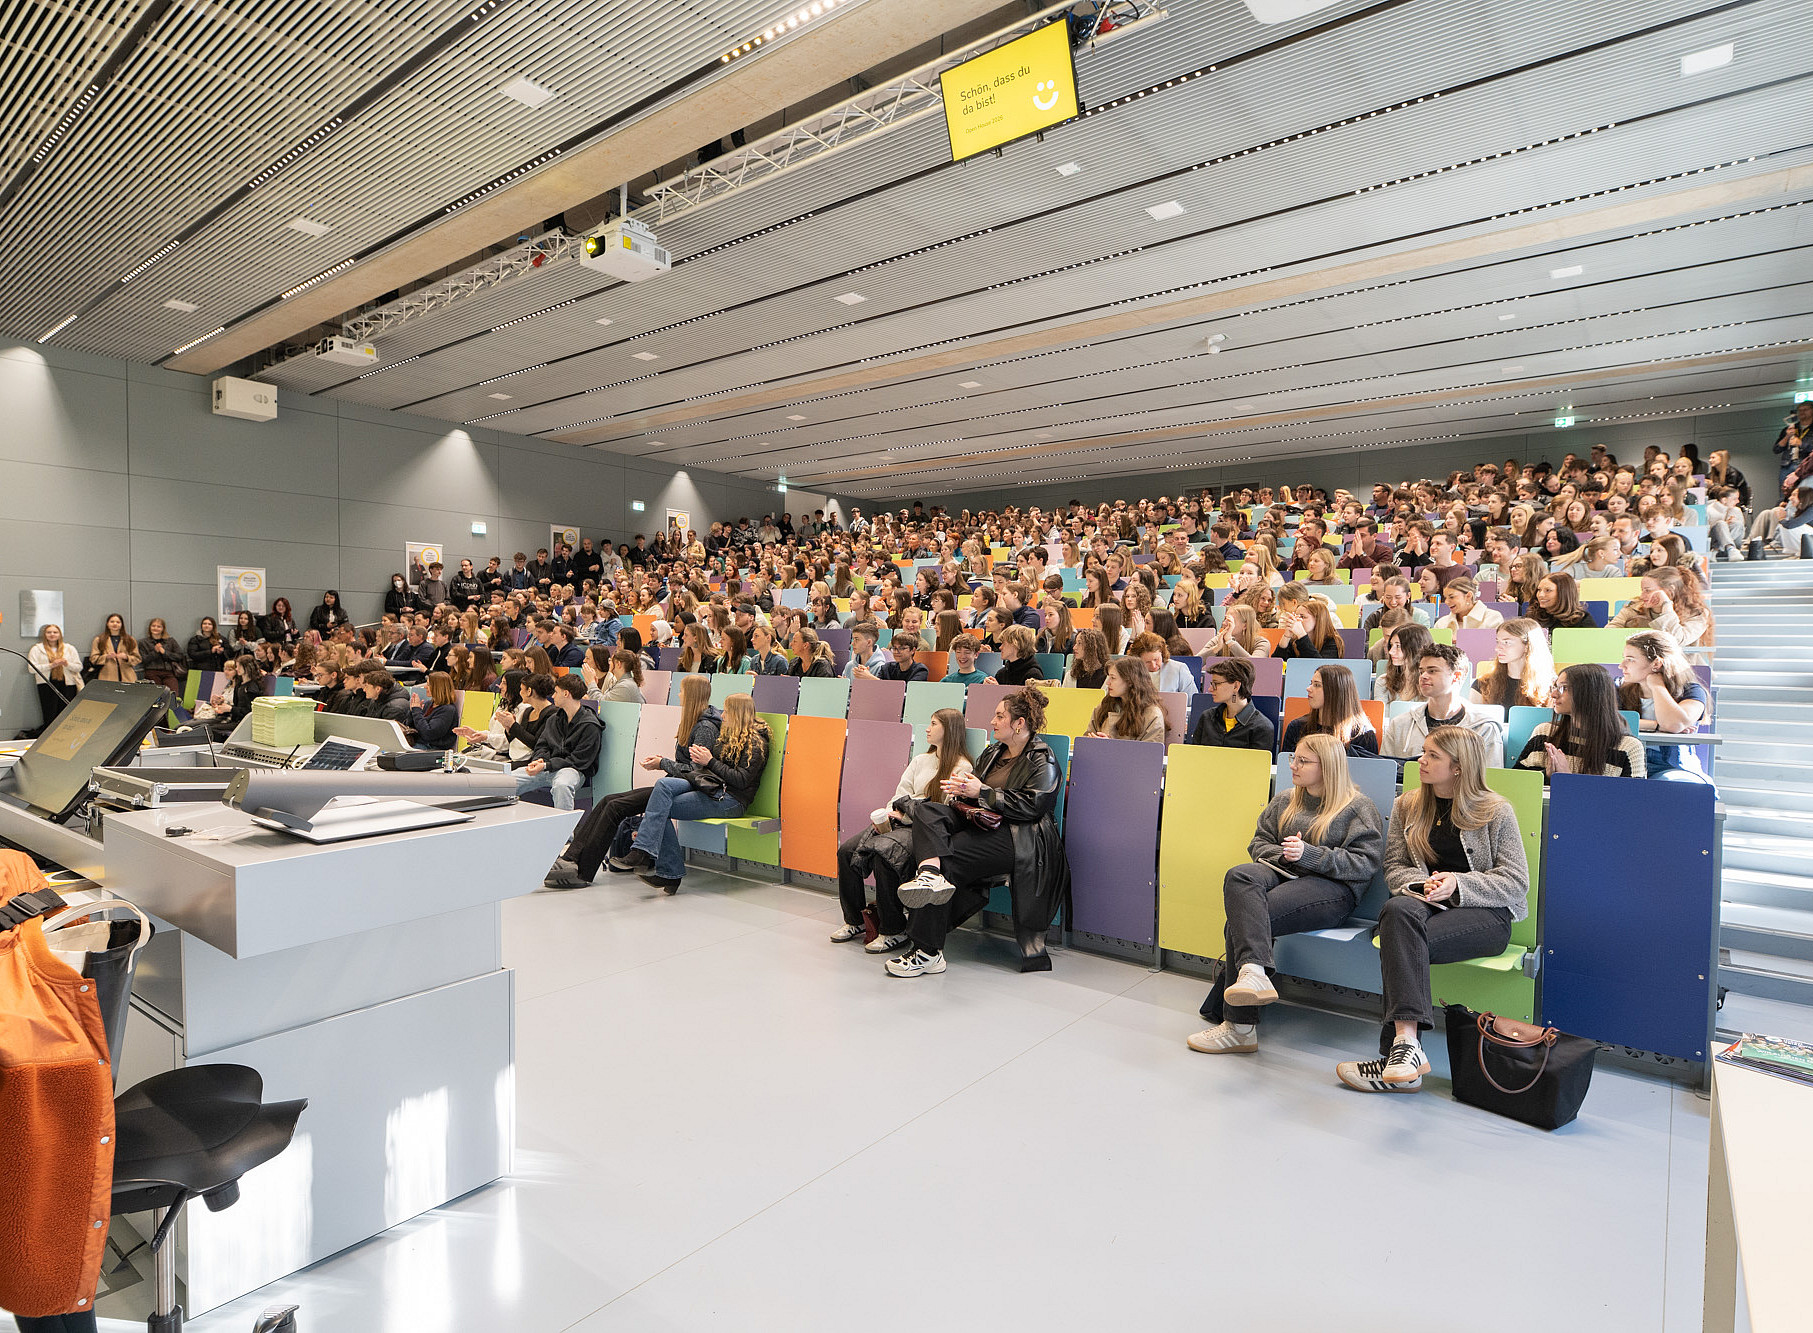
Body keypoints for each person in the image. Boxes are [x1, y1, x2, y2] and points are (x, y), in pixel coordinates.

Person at [1336, 726, 1529, 1093]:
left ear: (1458, 767)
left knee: (1401, 940)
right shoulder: (1408, 804)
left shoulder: (1495, 810)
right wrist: (1422, 886)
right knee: (1397, 912)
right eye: (1423, 752)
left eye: (1432, 756)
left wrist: (1459, 884)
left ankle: (1395, 1058)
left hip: (1486, 918)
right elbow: (1394, 867)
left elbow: (1516, 881)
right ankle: (1406, 1048)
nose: (1420, 761)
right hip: (1426, 907)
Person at [1188, 733, 1384, 1054]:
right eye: (1294, 758)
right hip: (1282, 875)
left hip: (1332, 889)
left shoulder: (1357, 808)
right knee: (1240, 874)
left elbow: (1365, 863)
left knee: (1243, 921)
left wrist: (1308, 855)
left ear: (1328, 767)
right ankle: (1253, 973)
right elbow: (1258, 843)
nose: (1293, 765)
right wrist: (1285, 855)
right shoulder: (1286, 800)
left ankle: (1239, 1027)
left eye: (1303, 761)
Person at [890, 686, 1069, 975]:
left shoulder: (1042, 758)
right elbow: (976, 792)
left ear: (1019, 723)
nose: (993, 722)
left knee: (946, 858)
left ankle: (926, 951)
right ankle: (929, 876)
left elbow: (1033, 806)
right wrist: (962, 791)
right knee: (926, 809)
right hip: (985, 824)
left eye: (1000, 716)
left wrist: (983, 792)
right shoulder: (994, 752)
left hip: (1019, 837)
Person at [544, 675, 710, 889]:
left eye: (682, 691)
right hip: (675, 785)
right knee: (607, 801)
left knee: (614, 806)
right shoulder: (694, 722)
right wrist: (663, 764)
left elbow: (698, 772)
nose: (678, 694)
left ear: (692, 695)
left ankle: (582, 871)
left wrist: (663, 764)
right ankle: (573, 858)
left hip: (684, 788)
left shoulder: (704, 728)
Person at [830, 708, 973, 955]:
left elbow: (943, 809)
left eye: (934, 724)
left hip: (922, 829)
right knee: (846, 851)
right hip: (897, 820)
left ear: (949, 730)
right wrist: (889, 813)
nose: (927, 729)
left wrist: (905, 811)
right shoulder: (920, 760)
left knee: (884, 855)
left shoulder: (962, 767)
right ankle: (853, 920)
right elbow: (900, 793)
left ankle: (893, 930)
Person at [611, 691, 770, 892]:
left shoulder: (756, 743)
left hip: (731, 799)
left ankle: (666, 870)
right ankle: (644, 851)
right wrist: (705, 760)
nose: (723, 716)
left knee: (663, 808)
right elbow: (713, 769)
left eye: (727, 712)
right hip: (711, 786)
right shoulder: (728, 737)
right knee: (663, 786)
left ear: (738, 714)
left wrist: (710, 760)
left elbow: (741, 780)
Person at [1380, 643, 1506, 767]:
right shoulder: (1400, 725)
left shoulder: (1484, 728)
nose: (1423, 676)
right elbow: (1385, 774)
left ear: (1457, 676)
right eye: (1421, 671)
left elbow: (1490, 779)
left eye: (1432, 671)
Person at [1514, 663, 1645, 780]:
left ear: (1590, 695)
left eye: (1564, 688)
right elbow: (1517, 782)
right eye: (1555, 687)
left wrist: (1567, 779)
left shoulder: (1628, 747)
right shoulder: (1543, 732)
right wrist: (1547, 776)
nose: (1553, 694)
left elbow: (1631, 802)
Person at [1618, 630, 1712, 784]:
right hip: (1627, 762)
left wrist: (1657, 686)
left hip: (1673, 767)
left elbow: (1673, 724)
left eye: (1630, 659)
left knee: (1680, 785)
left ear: (1656, 663)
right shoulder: (1618, 689)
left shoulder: (1692, 691)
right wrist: (1656, 725)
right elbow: (1609, 720)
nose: (1622, 665)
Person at [512, 673, 602, 810]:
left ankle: (566, 831)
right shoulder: (554, 719)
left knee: (562, 785)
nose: (553, 696)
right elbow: (542, 745)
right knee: (509, 780)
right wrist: (540, 760)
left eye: (556, 692)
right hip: (548, 766)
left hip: (574, 770)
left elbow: (579, 760)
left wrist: (547, 765)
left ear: (566, 694)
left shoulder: (590, 725)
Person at [1281, 663, 1378, 756]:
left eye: (1317, 685)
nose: (1308, 688)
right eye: (1311, 683)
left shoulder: (1363, 735)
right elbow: (1287, 768)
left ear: (1336, 692)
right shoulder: (1297, 727)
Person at [1609, 568, 1710, 648]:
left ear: (1670, 590)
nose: (1642, 596)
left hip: (1678, 669)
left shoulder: (1697, 614)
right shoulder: (1634, 607)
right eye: (1642, 590)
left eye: (1647, 591)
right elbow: (1608, 633)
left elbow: (1675, 640)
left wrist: (1666, 605)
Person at [1469, 618, 1555, 711]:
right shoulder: (1482, 685)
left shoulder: (1551, 686)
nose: (1497, 648)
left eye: (1507, 642)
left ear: (1527, 646)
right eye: (1498, 641)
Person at [1189, 658, 1274, 750]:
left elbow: (1257, 764)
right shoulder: (1206, 717)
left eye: (1216, 684)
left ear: (1236, 686)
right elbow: (1195, 756)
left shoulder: (1262, 727)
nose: (1210, 689)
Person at [1085, 657, 1166, 742]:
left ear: (1130, 681)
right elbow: (1087, 738)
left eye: (1113, 678)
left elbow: (1150, 752)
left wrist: (1111, 746)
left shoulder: (1152, 714)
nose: (1107, 683)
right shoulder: (1102, 707)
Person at [27, 625, 83, 728]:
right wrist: (51, 665)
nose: (52, 634)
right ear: (44, 635)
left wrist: (66, 664)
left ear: (60, 634)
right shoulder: (37, 649)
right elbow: (31, 669)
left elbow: (79, 667)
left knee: (66, 713)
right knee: (49, 713)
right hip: (46, 684)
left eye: (55, 632)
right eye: (49, 632)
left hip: (67, 684)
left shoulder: (69, 648)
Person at [1374, 622, 1433, 704]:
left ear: (1415, 648)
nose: (1391, 652)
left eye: (1398, 646)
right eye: (1391, 645)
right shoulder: (1383, 682)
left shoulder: (1431, 684)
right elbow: (1382, 715)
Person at [1272, 592, 1342, 659]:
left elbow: (1319, 666)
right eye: (1296, 616)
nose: (1297, 620)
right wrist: (1286, 636)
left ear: (1318, 619)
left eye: (1302, 617)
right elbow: (1276, 665)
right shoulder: (1295, 641)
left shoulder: (1332, 641)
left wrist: (1301, 634)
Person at [1527, 571, 1600, 632]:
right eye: (1539, 590)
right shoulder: (1532, 616)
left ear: (1564, 593)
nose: (1540, 595)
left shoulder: (1581, 620)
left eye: (1548, 590)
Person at [407, 671, 460, 750]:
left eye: (428, 685)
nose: (425, 687)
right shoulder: (429, 704)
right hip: (420, 743)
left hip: (432, 748)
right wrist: (413, 711)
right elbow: (412, 727)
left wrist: (417, 711)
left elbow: (428, 734)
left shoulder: (447, 710)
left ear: (438, 687)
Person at [1432, 576, 1503, 630]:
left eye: (1451, 597)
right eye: (1445, 598)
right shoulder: (1441, 623)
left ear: (1468, 596)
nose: (1446, 602)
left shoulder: (1493, 618)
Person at [87, 613, 139, 682]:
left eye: (118, 622)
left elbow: (137, 658)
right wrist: (106, 657)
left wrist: (126, 657)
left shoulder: (130, 639)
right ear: (107, 624)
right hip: (107, 676)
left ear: (121, 625)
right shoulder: (99, 640)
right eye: (112, 622)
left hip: (128, 676)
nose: (115, 624)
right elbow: (93, 659)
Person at [140, 618, 186, 692]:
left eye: (159, 626)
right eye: (153, 626)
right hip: (152, 672)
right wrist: (155, 652)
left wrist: (164, 652)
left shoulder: (170, 641)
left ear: (163, 629)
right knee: (156, 696)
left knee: (173, 694)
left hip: (169, 672)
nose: (156, 628)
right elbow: (143, 659)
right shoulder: (144, 642)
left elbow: (179, 656)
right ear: (149, 628)